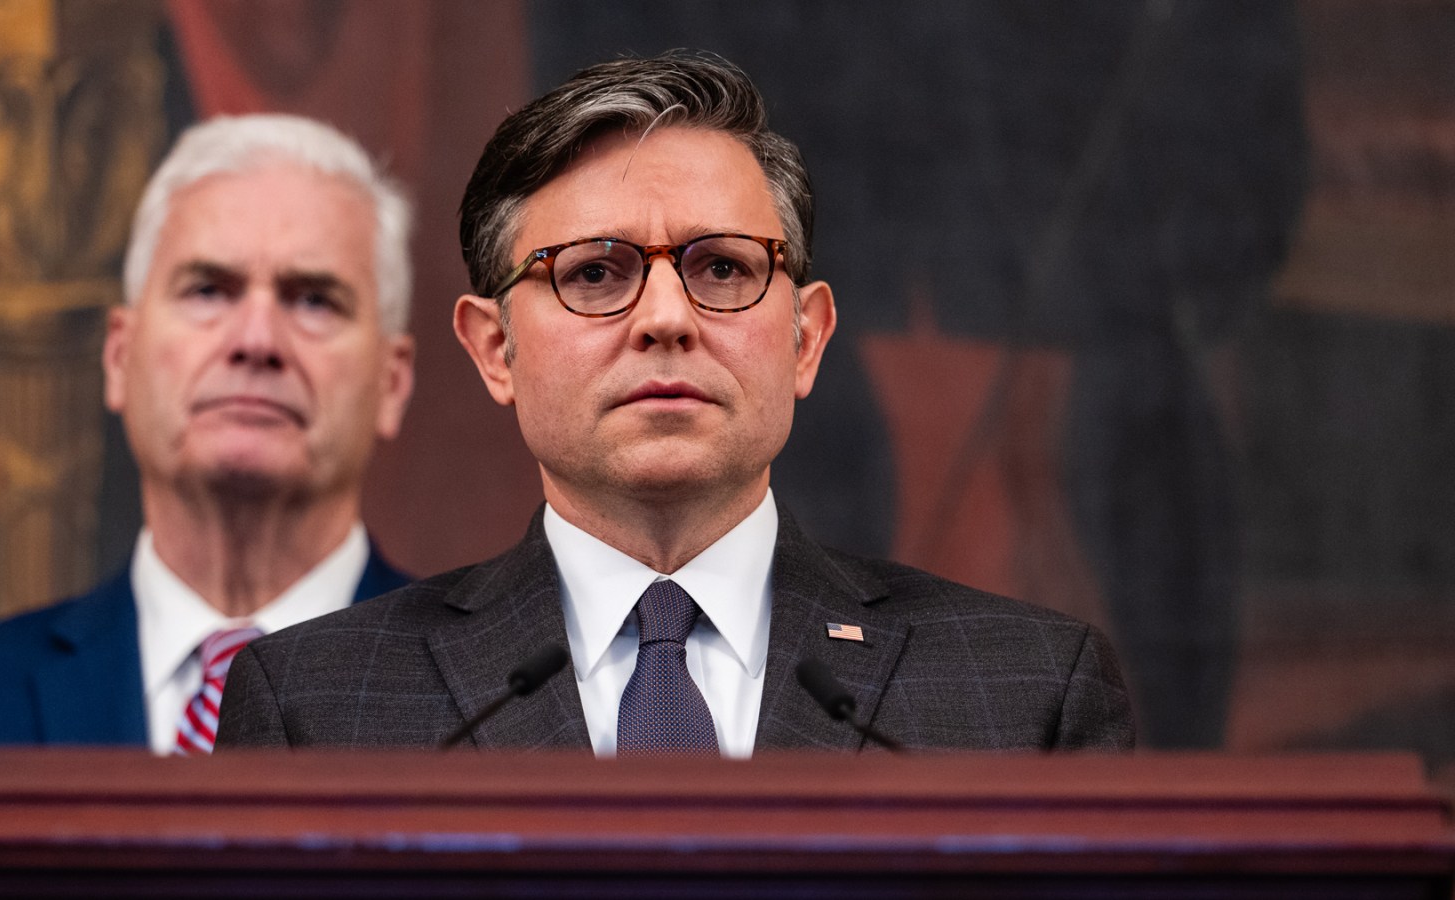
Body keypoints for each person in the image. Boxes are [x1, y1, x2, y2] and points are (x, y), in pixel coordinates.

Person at [218, 53, 1131, 758]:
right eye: (593, 274)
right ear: (495, 349)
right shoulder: (314, 703)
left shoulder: (1027, 692)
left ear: (806, 338)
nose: (666, 318)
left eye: (723, 267)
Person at [0, 113, 416, 900]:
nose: (257, 339)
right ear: (119, 357)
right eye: (208, 290)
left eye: (315, 300)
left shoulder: (521, 722)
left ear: (392, 382)